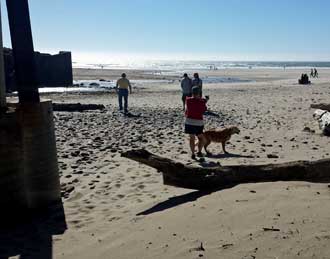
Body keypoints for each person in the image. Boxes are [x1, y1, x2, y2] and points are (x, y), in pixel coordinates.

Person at [184, 86, 208, 160]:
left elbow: (191, 100)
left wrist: (203, 100)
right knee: (202, 139)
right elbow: (204, 110)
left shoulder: (187, 100)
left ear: (192, 92)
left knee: (192, 138)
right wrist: (205, 100)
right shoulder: (202, 101)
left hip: (189, 121)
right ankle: (199, 151)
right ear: (199, 93)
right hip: (198, 122)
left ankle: (193, 153)